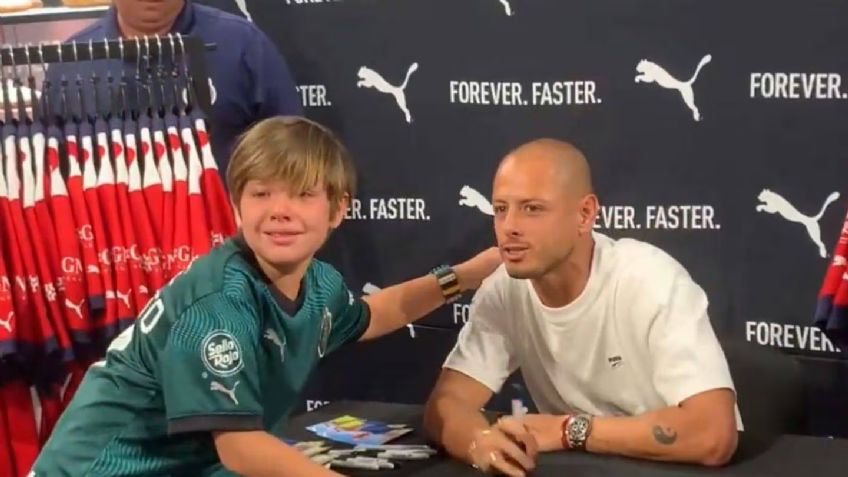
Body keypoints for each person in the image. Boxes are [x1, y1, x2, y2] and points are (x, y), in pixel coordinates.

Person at [30, 116, 501, 477]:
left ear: (338, 209)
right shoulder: (219, 302)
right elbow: (239, 445)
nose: (280, 211)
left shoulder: (319, 282)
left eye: (301, 194)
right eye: (261, 194)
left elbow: (375, 314)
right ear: (236, 205)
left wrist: (470, 272)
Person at [423, 139, 741, 476]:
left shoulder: (651, 280)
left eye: (532, 208)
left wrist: (566, 430)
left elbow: (712, 434)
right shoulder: (503, 288)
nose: (510, 226)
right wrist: (479, 440)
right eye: (501, 209)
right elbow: (447, 406)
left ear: (585, 214)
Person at [45, 0, 302, 174]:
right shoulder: (71, 62)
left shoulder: (243, 43)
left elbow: (291, 147)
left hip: (228, 241)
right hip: (115, 243)